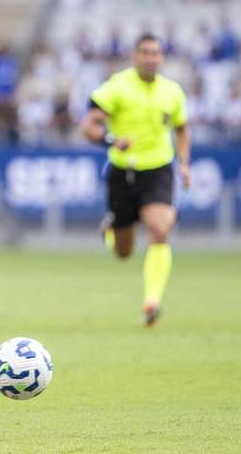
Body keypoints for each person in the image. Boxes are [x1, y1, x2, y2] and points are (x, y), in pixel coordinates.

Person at [81, 33, 191, 327]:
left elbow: (181, 128)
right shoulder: (117, 87)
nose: (150, 58)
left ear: (161, 57)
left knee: (159, 228)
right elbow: (88, 126)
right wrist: (110, 140)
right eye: (145, 52)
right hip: (123, 172)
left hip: (158, 169)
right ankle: (111, 227)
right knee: (123, 251)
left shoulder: (172, 92)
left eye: (155, 53)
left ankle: (151, 302)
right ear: (134, 56)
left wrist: (183, 163)